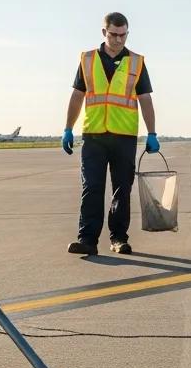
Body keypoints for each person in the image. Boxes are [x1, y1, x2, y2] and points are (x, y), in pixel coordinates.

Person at [62, 13, 158, 256]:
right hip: (94, 135)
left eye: (123, 34)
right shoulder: (88, 59)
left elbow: (145, 99)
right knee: (92, 187)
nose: (118, 39)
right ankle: (87, 239)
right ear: (104, 32)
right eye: (113, 34)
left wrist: (152, 132)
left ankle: (118, 238)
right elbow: (77, 96)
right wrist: (68, 128)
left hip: (124, 136)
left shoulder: (136, 62)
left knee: (121, 189)